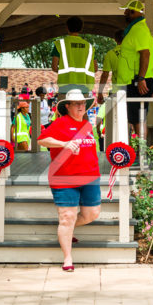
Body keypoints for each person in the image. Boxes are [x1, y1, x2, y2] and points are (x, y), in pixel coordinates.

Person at [37, 89, 101, 272]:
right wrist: (63, 144)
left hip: (90, 176)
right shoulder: (60, 123)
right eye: (77, 103)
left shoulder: (87, 125)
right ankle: (67, 258)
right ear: (68, 106)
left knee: (92, 214)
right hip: (64, 178)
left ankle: (67, 229)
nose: (81, 106)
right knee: (67, 217)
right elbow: (42, 140)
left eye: (83, 103)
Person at [117, 1, 153, 135]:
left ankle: (142, 152)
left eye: (126, 11)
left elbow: (145, 54)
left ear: (133, 12)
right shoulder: (135, 29)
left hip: (138, 81)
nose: (124, 13)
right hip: (133, 80)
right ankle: (140, 150)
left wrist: (141, 78)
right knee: (135, 118)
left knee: (139, 119)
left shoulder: (139, 29)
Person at [51, 16, 97, 96]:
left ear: (67, 27)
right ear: (81, 28)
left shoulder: (60, 44)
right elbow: (95, 68)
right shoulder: (89, 47)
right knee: (81, 109)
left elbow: (54, 67)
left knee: (65, 108)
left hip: (65, 86)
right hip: (84, 87)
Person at [96, 30, 125, 105]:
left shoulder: (110, 54)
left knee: (115, 115)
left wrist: (100, 93)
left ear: (115, 39)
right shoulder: (133, 52)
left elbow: (105, 75)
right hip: (133, 90)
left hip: (117, 91)